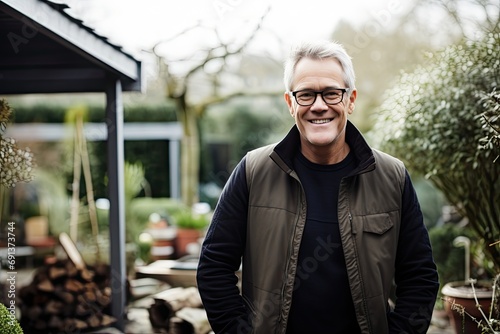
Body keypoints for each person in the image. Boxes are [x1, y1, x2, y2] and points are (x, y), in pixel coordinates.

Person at [196, 40, 439, 334]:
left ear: (350, 100)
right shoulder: (253, 172)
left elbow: (420, 276)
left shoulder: (392, 176)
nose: (319, 105)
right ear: (290, 103)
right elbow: (214, 267)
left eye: (331, 93)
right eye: (306, 95)